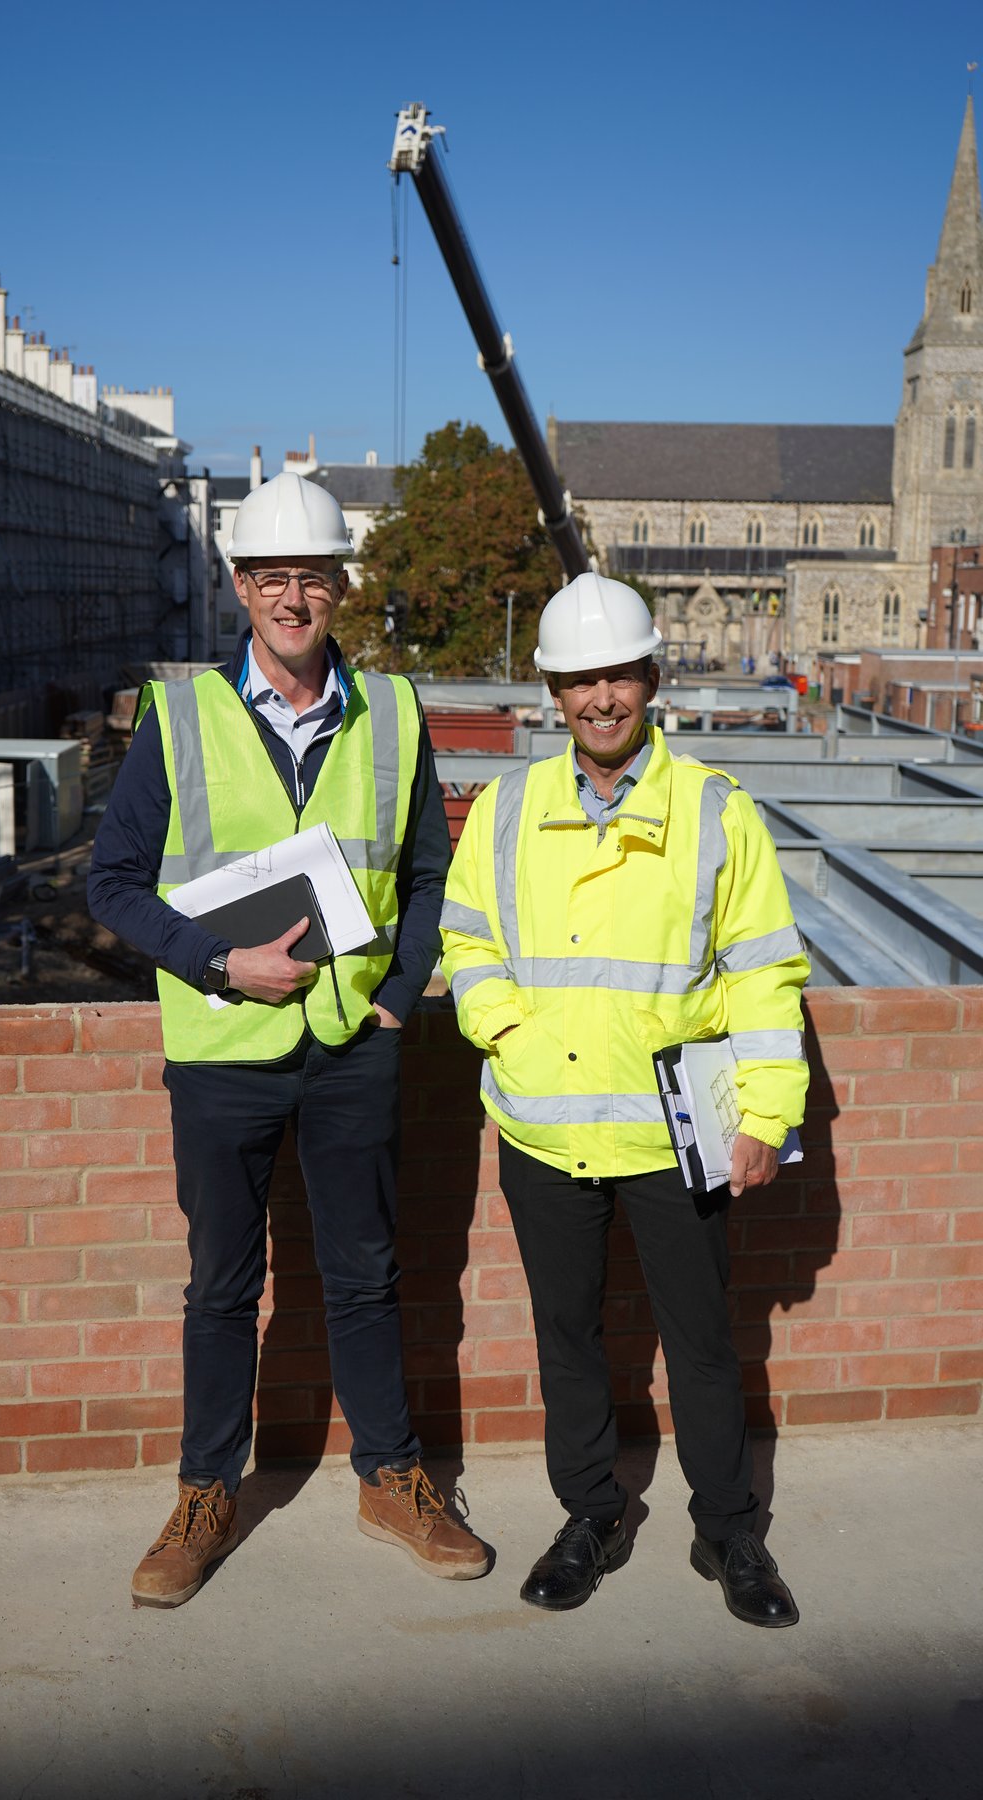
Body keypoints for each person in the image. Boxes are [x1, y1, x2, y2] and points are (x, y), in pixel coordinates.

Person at [89, 470, 488, 1607]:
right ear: (238, 586)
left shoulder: (393, 712)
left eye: (312, 576)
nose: (292, 597)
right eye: (271, 576)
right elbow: (112, 883)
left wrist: (399, 996)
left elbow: (428, 873)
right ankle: (204, 1493)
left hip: (354, 1043)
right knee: (222, 1284)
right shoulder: (179, 717)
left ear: (341, 587)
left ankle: (391, 1478)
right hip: (222, 1048)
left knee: (366, 1274)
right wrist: (221, 963)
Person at [439, 572, 809, 1627]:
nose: (600, 698)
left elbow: (764, 972)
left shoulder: (716, 810)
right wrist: (509, 1033)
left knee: (702, 1343)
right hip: (544, 1127)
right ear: (553, 693)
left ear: (651, 679)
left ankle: (729, 1531)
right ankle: (591, 1516)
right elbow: (468, 941)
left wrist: (766, 1115)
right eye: (579, 680)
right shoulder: (506, 809)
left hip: (672, 1137)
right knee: (568, 1338)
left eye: (618, 676)